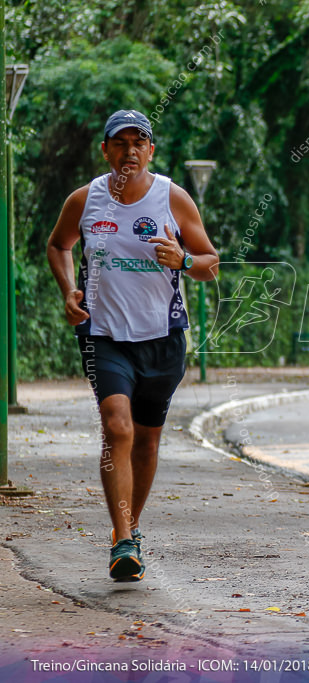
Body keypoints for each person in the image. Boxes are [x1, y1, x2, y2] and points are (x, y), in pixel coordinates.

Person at [46, 110, 219, 581]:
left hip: (163, 338)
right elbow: (58, 245)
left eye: (138, 142)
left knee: (146, 439)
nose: (129, 151)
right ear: (105, 150)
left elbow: (210, 263)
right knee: (116, 427)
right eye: (119, 143)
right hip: (103, 335)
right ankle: (122, 539)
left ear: (151, 150)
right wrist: (68, 290)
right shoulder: (86, 200)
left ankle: (133, 527)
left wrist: (183, 259)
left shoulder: (172, 199)